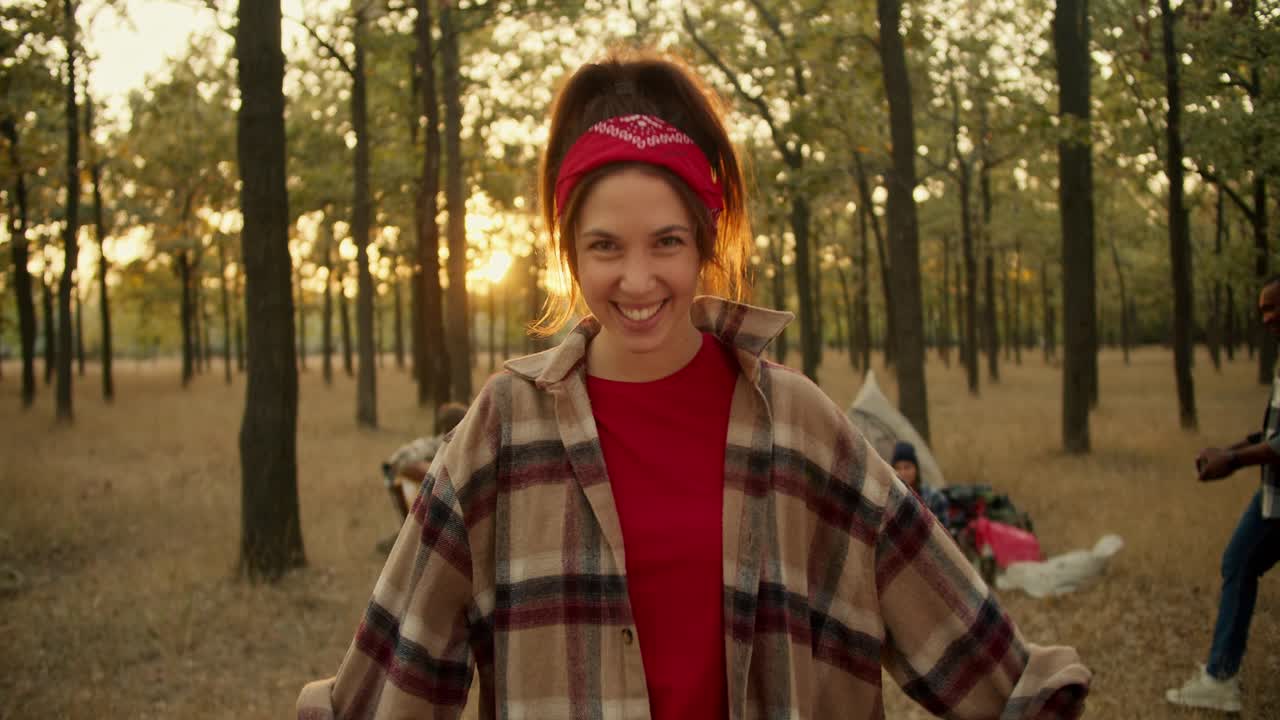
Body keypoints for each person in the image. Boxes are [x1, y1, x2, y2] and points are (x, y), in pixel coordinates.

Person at [297, 49, 1090, 720]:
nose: (637, 279)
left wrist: (1034, 693)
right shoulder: (505, 427)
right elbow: (401, 659)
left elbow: (957, 632)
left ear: (706, 243)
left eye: (666, 242)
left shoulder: (797, 423)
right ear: (568, 250)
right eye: (605, 245)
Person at [1166, 276, 1280, 713]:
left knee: (1239, 561)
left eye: (1275, 307)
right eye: (1263, 311)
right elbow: (1272, 433)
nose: (1268, 318)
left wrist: (1234, 462)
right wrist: (1228, 450)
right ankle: (1220, 676)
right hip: (1273, 495)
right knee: (1239, 561)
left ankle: (1220, 678)